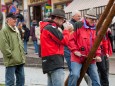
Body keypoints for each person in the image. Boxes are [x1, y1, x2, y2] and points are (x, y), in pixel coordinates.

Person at [68, 8, 102, 86]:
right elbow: (71, 40)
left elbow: (98, 44)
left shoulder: (95, 29)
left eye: (94, 19)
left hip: (90, 58)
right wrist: (75, 51)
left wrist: (98, 55)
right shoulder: (78, 25)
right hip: (77, 57)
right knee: (75, 75)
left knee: (96, 79)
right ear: (86, 18)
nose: (93, 21)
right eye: (91, 19)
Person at [40, 9, 72, 86]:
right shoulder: (51, 28)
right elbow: (64, 41)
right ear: (57, 18)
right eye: (62, 20)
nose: (63, 22)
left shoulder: (47, 27)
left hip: (49, 60)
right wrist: (67, 30)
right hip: (54, 60)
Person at [0, 13, 26, 86]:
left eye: (16, 18)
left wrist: (22, 54)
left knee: (21, 81)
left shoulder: (16, 29)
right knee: (10, 83)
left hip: (20, 60)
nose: (16, 20)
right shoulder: (4, 31)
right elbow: (3, 46)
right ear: (8, 19)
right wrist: (11, 55)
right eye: (14, 18)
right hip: (11, 61)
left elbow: (20, 43)